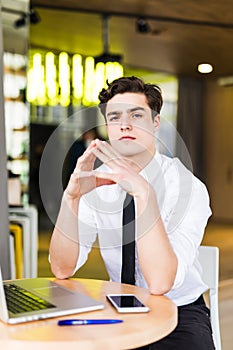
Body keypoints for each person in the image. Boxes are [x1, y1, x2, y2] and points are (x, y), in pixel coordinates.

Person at [49, 76, 215, 349]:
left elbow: (161, 282)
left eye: (136, 115)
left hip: (180, 311)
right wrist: (72, 196)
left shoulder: (186, 187)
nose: (124, 124)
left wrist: (143, 193)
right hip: (118, 305)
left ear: (156, 123)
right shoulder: (97, 181)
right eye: (114, 117)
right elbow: (62, 267)